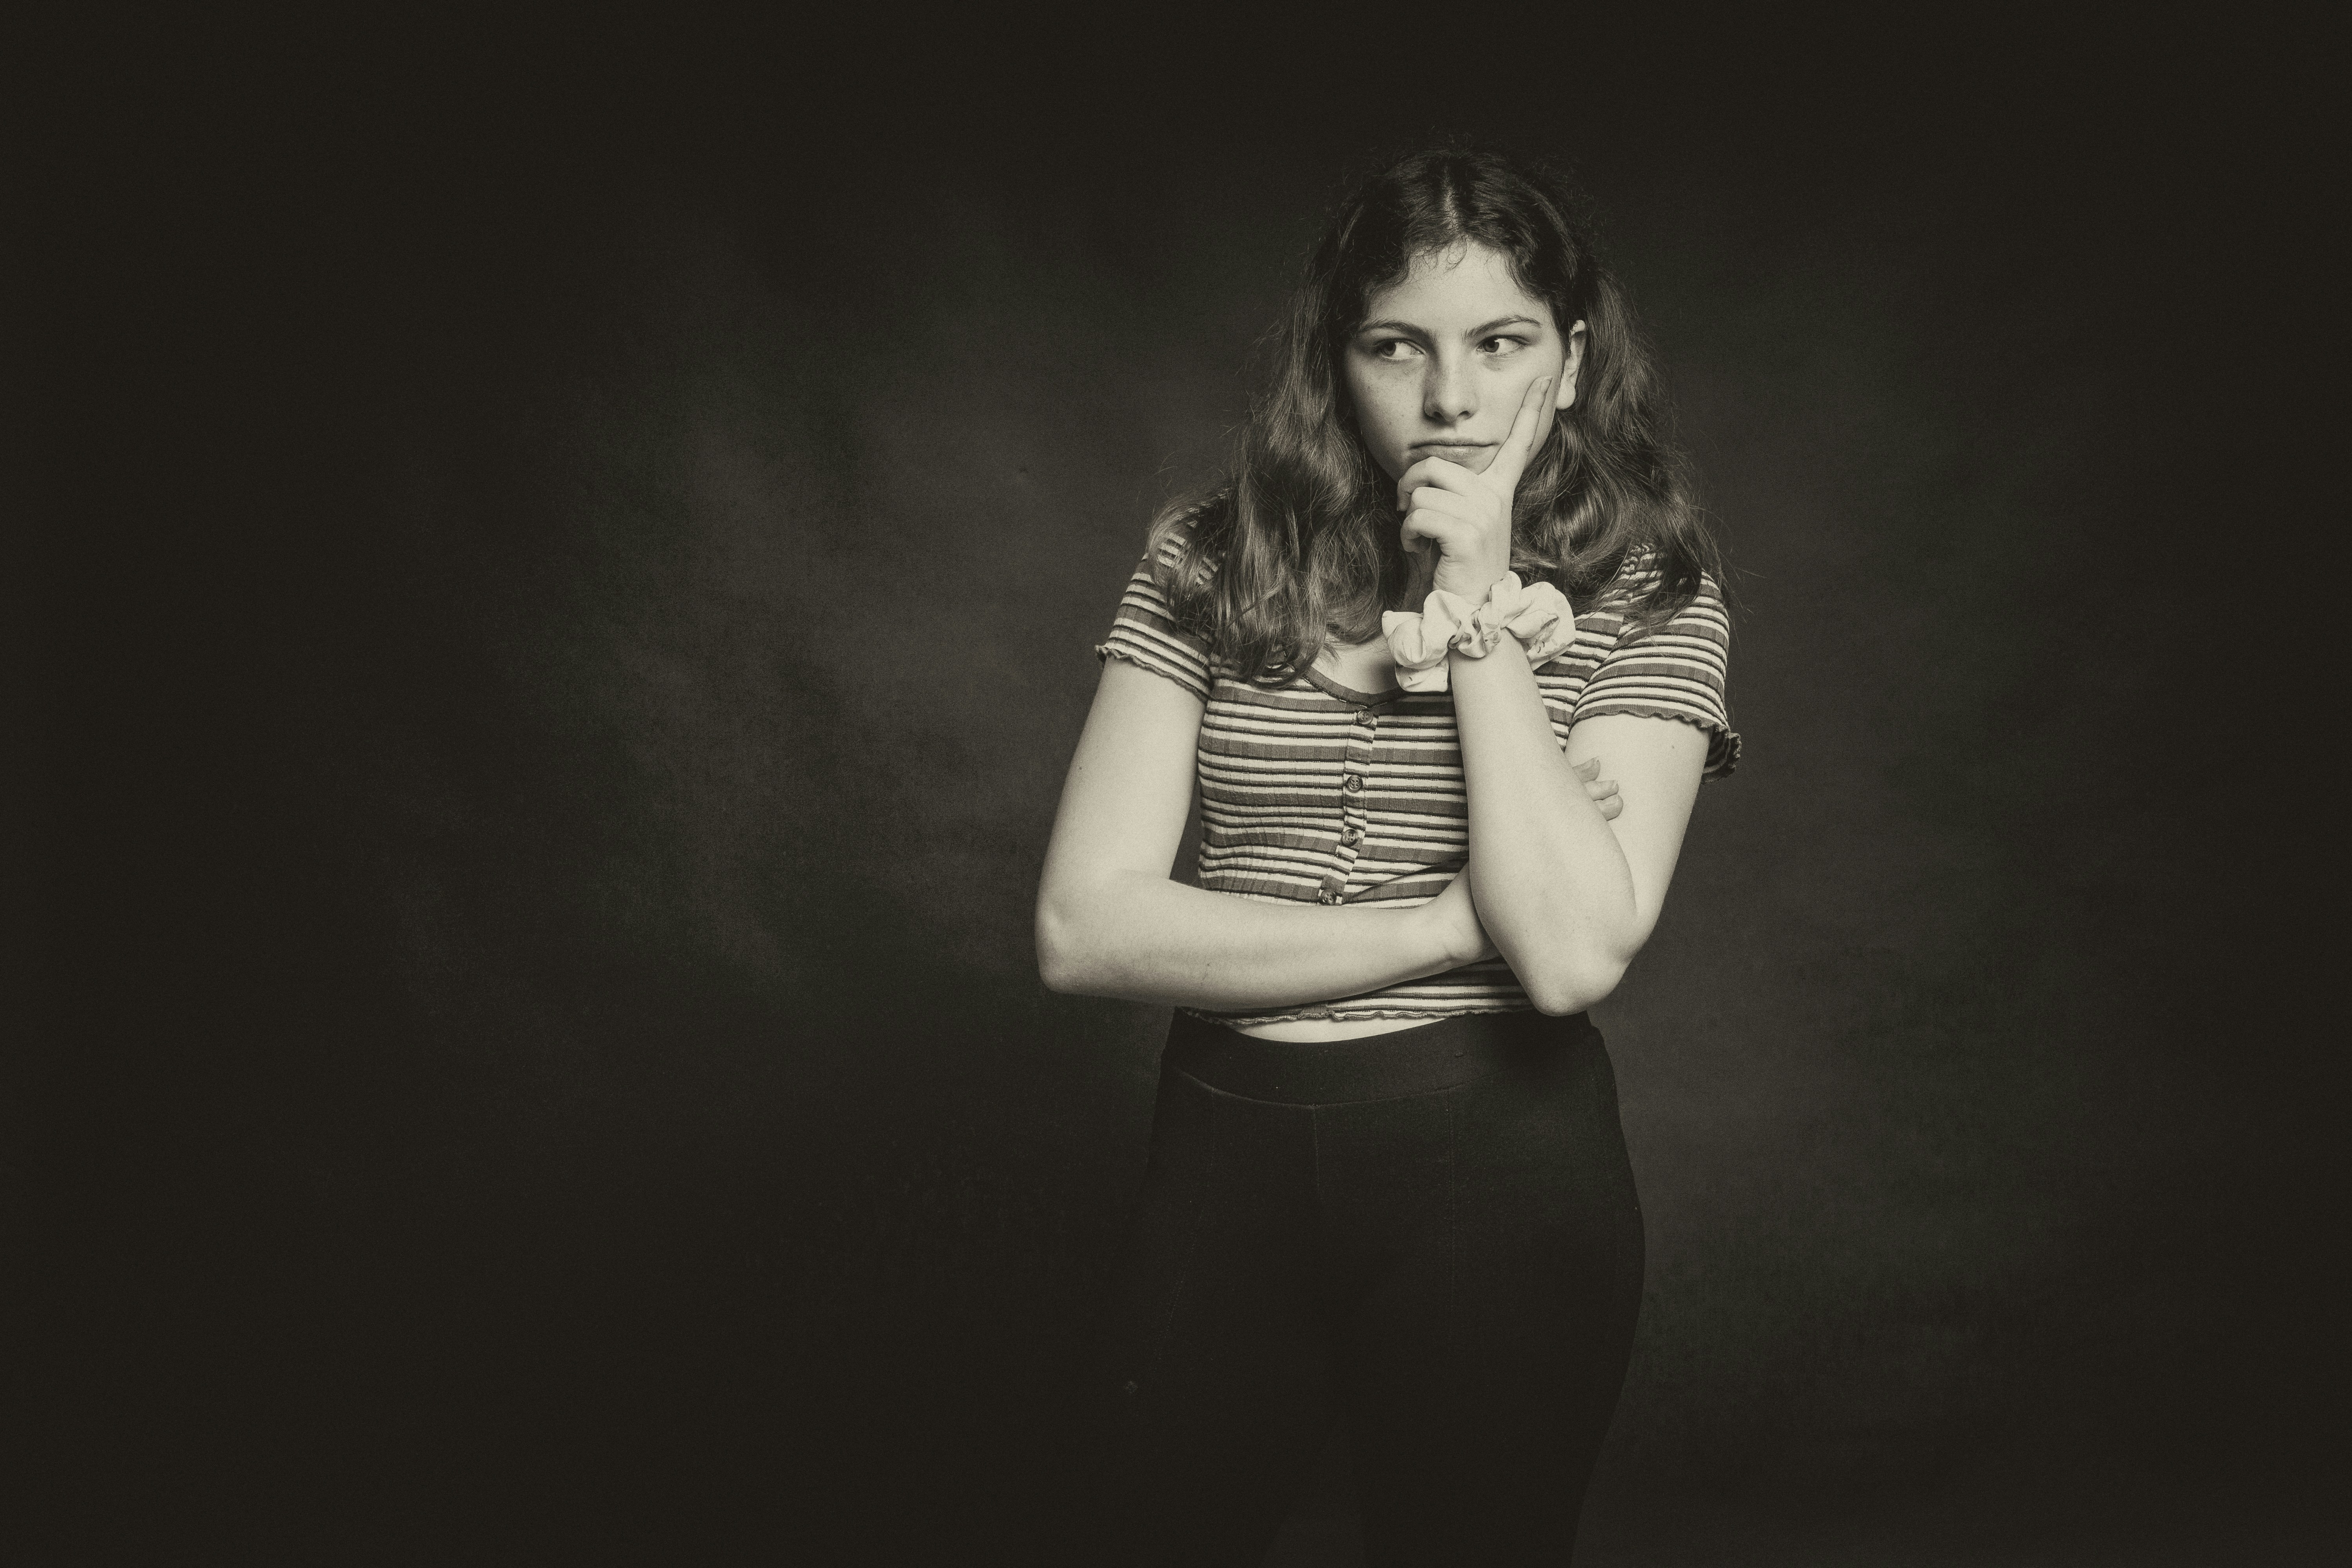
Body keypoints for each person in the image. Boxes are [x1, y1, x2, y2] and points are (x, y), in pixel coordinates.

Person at [1034, 145, 1738, 1565]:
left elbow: (1569, 950)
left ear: (1572, 358)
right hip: (1222, 1158)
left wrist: (1475, 601)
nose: (1451, 398)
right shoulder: (1205, 556)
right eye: (1395, 346)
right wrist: (1433, 929)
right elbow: (1083, 929)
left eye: (1501, 344)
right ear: (1334, 359)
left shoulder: (1654, 591)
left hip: (1498, 1166)